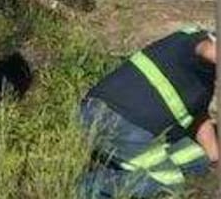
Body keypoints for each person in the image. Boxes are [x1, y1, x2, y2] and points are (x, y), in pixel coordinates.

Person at [81, 27, 219, 197]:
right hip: (113, 117)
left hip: (153, 130)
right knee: (168, 183)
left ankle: (126, 172)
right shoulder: (193, 41)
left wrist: (215, 161)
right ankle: (84, 187)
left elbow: (199, 116)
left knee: (197, 165)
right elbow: (206, 50)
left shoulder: (206, 76)